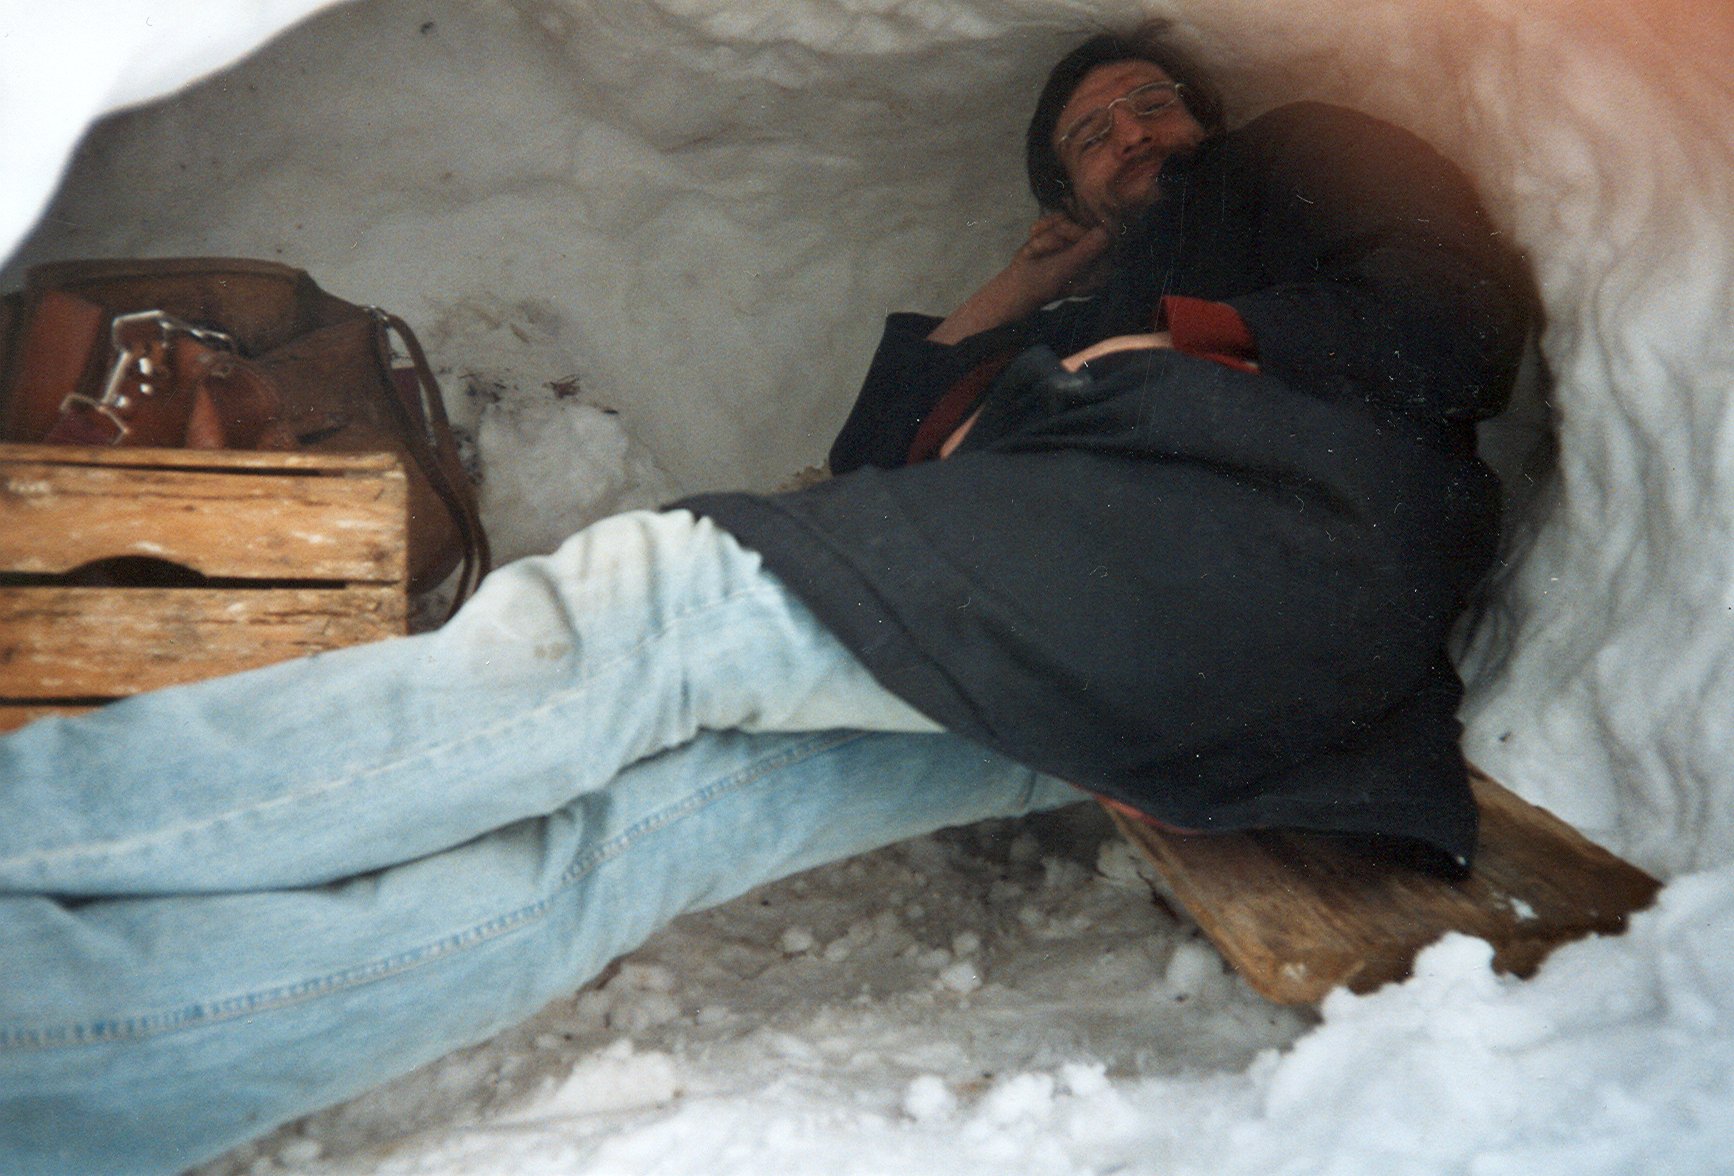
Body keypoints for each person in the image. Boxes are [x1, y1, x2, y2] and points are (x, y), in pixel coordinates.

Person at [0, 23, 1531, 1175]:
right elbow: (866, 480)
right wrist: (1008, 309)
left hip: (1262, 556)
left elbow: (1458, 315)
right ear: (1061, 189)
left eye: (1149, 104)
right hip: (1122, 652)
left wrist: (1185, 341)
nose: (1132, 133)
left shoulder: (1291, 166)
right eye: (1089, 134)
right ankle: (48, 1059)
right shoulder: (1080, 302)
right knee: (644, 830)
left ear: (1208, 116)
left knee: (649, 607)